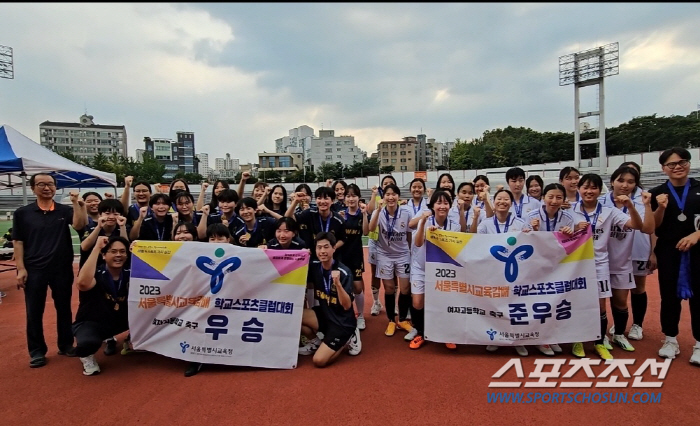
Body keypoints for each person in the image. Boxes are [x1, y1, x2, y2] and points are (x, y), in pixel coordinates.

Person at [12, 173, 88, 368]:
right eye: (41, 184)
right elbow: (18, 242)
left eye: (50, 184)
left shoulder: (64, 210)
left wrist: (77, 203)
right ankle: (37, 351)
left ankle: (65, 344)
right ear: (33, 188)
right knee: (34, 311)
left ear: (56, 187)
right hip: (34, 268)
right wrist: (20, 268)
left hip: (61, 267)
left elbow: (80, 225)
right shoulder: (23, 213)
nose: (46, 188)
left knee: (64, 308)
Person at [570, 173, 646, 360]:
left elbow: (636, 225)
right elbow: (558, 233)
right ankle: (578, 339)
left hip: (600, 264)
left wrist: (630, 206)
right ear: (579, 189)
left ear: (599, 190)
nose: (589, 191)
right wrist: (572, 229)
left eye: (593, 187)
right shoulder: (570, 210)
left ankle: (599, 342)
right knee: (578, 302)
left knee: (600, 305)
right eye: (585, 187)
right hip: (576, 264)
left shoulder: (609, 211)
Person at [649, 147, 700, 364]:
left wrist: (697, 235)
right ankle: (670, 339)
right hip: (669, 251)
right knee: (668, 296)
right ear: (663, 168)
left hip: (698, 250)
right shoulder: (657, 193)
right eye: (672, 164)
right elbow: (652, 226)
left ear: (689, 163)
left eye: (682, 162)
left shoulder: (699, 188)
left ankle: (699, 342)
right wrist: (660, 208)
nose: (678, 167)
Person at [599, 167, 654, 352]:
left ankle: (619, 334)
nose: (625, 185)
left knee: (620, 301)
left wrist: (634, 206)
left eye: (630, 182)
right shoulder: (599, 202)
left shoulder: (640, 201)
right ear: (612, 181)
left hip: (623, 261)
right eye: (621, 180)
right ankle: (601, 336)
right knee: (601, 303)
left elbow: (645, 228)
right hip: (600, 262)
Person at [527, 183, 581, 356]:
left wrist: (569, 233)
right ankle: (540, 339)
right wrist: (533, 230)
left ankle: (551, 337)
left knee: (554, 301)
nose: (554, 201)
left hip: (558, 267)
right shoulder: (531, 215)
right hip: (535, 266)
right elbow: (523, 239)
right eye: (550, 196)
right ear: (543, 197)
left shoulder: (567, 218)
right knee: (538, 302)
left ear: (564, 200)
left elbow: (571, 243)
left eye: (559, 197)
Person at [477, 189, 530, 357]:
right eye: (499, 198)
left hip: (514, 273)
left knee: (515, 306)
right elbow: (478, 246)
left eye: (506, 199)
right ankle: (496, 338)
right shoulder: (485, 224)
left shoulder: (520, 224)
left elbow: (531, 246)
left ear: (511, 203)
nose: (502, 202)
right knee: (495, 306)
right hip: (492, 273)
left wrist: (530, 235)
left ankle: (517, 341)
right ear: (494, 201)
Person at [408, 190, 461, 350]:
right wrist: (423, 223)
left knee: (443, 302)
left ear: (450, 206)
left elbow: (457, 248)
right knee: (417, 302)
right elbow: (417, 244)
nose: (442, 206)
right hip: (420, 267)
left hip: (442, 270)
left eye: (445, 203)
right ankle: (421, 332)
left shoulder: (454, 225)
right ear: (432, 206)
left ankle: (444, 333)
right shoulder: (424, 221)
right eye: (439, 203)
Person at [299, 232, 361, 365]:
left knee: (318, 361)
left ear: (334, 248)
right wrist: (301, 255)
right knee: (297, 316)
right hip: (326, 315)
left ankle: (347, 338)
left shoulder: (344, 272)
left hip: (342, 323)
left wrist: (337, 284)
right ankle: (316, 342)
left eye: (326, 247)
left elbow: (347, 306)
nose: (322, 251)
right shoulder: (314, 266)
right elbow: (291, 266)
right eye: (319, 247)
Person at [73, 236, 131, 376]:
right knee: (88, 342)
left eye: (123, 252)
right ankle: (86, 356)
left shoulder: (131, 274)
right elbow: (83, 284)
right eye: (113, 251)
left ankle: (132, 340)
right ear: (104, 255)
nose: (118, 255)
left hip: (119, 320)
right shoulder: (97, 273)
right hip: (93, 321)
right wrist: (97, 247)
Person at [184, 223, 233, 377]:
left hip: (231, 301)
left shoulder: (242, 254)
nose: (216, 242)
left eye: (221, 239)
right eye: (212, 239)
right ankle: (196, 359)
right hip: (205, 301)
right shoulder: (199, 255)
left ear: (229, 240)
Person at [367, 183, 416, 338]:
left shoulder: (406, 212)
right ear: (384, 197)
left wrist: (409, 252)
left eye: (394, 194)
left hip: (402, 254)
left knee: (405, 288)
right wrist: (378, 210)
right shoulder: (378, 211)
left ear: (398, 197)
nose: (390, 197)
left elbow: (408, 235)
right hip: (384, 255)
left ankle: (402, 319)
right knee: (389, 288)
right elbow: (370, 228)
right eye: (387, 194)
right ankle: (391, 320)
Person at [618, 161, 657, 341]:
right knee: (619, 290)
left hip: (639, 249)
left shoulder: (645, 198)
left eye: (632, 178)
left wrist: (653, 252)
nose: (626, 184)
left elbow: (653, 227)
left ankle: (637, 324)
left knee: (638, 288)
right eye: (623, 178)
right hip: (617, 252)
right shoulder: (606, 199)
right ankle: (619, 325)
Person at [366, 175, 397, 316]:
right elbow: (369, 210)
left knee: (393, 273)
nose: (387, 185)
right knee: (375, 273)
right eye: (385, 184)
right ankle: (376, 302)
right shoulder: (378, 199)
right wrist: (373, 194)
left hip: (391, 242)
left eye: (391, 183)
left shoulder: (398, 202)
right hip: (375, 240)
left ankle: (394, 303)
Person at [337, 184, 367, 331]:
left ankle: (360, 315)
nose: (351, 198)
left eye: (353, 195)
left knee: (357, 286)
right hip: (342, 255)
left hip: (355, 255)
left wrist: (366, 214)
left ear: (358, 198)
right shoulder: (341, 214)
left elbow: (366, 232)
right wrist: (340, 220)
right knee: (341, 286)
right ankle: (345, 314)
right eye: (348, 196)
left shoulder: (362, 214)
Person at [79, 199, 129, 269]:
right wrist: (99, 227)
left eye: (116, 214)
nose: (111, 217)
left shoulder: (123, 227)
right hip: (92, 268)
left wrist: (122, 226)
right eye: (107, 213)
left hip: (116, 270)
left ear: (121, 215)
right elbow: (84, 247)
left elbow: (126, 249)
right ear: (100, 214)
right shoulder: (91, 227)